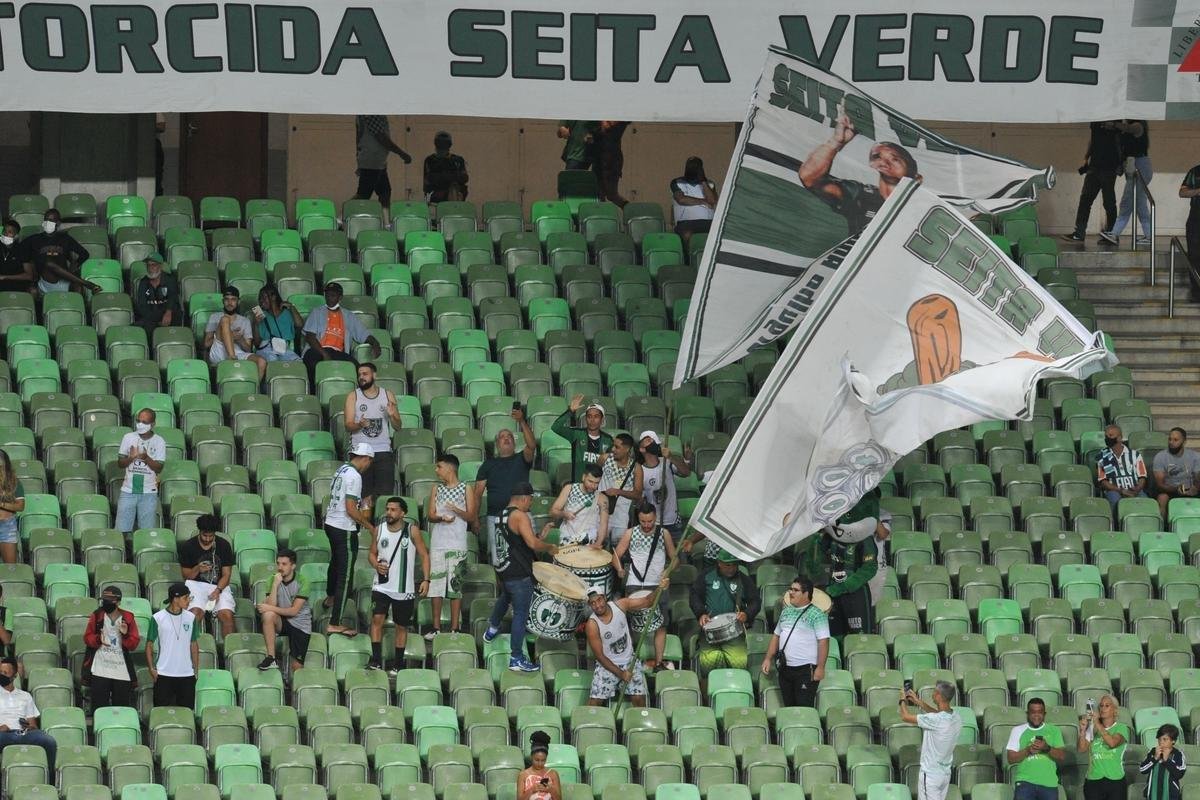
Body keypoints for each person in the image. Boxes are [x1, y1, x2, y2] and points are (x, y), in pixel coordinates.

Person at [799, 113, 921, 235]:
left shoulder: (921, 207)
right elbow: (809, 177)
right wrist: (835, 142)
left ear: (917, 178)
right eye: (878, 157)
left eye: (895, 159)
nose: (885, 162)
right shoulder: (862, 194)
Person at [484, 483, 558, 672]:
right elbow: (532, 543)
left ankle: (492, 628)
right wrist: (549, 547)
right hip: (519, 572)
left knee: (505, 597)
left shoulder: (501, 515)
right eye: (531, 500)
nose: (530, 504)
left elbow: (519, 540)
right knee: (521, 614)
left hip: (505, 569)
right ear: (524, 497)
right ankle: (516, 658)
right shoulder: (520, 515)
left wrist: (542, 534)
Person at [794, 490, 882, 644]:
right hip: (831, 592)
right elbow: (815, 561)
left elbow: (869, 568)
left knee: (859, 637)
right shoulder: (827, 537)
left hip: (855, 595)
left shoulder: (865, 540)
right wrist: (815, 543)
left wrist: (846, 586)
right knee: (833, 635)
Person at [367, 497, 430, 672]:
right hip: (381, 585)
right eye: (387, 509)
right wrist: (375, 564)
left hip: (404, 588)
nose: (389, 512)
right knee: (376, 619)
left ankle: (398, 664)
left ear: (403, 513)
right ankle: (376, 660)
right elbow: (371, 553)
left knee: (401, 626)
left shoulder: (412, 530)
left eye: (393, 510)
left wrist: (426, 579)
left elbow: (424, 555)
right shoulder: (379, 530)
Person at [612, 502, 677, 669]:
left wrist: (667, 571)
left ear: (655, 518)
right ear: (638, 519)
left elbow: (675, 559)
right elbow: (616, 555)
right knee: (634, 624)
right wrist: (619, 569)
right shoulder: (630, 533)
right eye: (643, 522)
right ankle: (632, 660)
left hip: (658, 584)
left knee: (661, 624)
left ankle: (658, 661)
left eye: (650, 521)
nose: (647, 525)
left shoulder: (664, 534)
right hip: (636, 583)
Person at [585, 580, 669, 707]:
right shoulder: (592, 624)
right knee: (594, 702)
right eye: (593, 603)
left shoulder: (621, 605)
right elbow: (600, 657)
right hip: (607, 665)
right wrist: (621, 674)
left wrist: (659, 588)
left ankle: (639, 724)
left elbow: (647, 601)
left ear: (605, 597)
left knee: (639, 699)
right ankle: (589, 725)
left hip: (629, 661)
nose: (597, 605)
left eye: (599, 600)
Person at [324, 443, 376, 637]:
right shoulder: (354, 475)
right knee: (346, 575)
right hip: (344, 527)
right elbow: (351, 509)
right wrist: (370, 527)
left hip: (330, 523)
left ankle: (330, 598)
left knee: (336, 563)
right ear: (366, 458)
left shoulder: (342, 469)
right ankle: (335, 622)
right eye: (369, 462)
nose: (368, 466)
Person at [473, 406, 536, 563]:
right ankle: (502, 589)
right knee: (499, 560)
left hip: (521, 515)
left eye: (509, 436)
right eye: (502, 436)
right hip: (495, 517)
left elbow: (532, 446)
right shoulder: (488, 465)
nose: (506, 438)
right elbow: (477, 494)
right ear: (497, 443)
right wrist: (474, 518)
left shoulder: (522, 458)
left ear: (514, 443)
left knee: (527, 556)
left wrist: (521, 420)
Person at [760, 576, 829, 707]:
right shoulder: (785, 612)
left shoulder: (818, 615)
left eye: (795, 590)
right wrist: (768, 658)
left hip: (805, 670)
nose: (790, 592)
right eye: (790, 589)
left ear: (806, 594)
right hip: (785, 669)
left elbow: (823, 642)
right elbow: (776, 636)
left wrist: (820, 668)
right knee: (789, 708)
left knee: (804, 709)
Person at [426, 454, 475, 638]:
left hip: (457, 542)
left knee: (456, 586)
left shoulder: (465, 488)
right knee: (436, 585)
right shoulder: (436, 489)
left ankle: (455, 627)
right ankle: (436, 627)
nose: (436, 470)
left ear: (449, 468)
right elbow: (430, 515)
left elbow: (471, 516)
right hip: (438, 542)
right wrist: (440, 517)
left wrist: (456, 510)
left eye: (439, 466)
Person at [690, 550, 760, 677]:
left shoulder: (743, 579)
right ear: (719, 563)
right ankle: (709, 695)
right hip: (709, 631)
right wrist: (701, 613)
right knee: (708, 665)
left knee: (740, 664)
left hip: (734, 631)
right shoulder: (707, 576)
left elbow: (755, 601)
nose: (732, 568)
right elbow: (694, 596)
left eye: (734, 565)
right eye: (728, 565)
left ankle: (736, 692)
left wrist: (747, 614)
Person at [345, 362, 401, 508]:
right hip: (360, 452)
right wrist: (359, 425)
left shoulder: (387, 395)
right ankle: (365, 529)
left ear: (374, 375)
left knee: (384, 497)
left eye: (365, 374)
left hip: (383, 451)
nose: (361, 377)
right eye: (359, 375)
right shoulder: (353, 396)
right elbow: (348, 425)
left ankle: (382, 527)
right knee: (363, 497)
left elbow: (398, 426)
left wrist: (393, 415)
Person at [301, 283, 381, 382]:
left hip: (338, 353)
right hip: (317, 350)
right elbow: (310, 337)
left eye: (333, 295)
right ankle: (314, 392)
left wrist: (375, 343)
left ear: (340, 297)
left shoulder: (349, 316)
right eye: (327, 295)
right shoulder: (317, 312)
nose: (329, 298)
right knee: (313, 365)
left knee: (356, 369)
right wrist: (324, 354)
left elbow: (364, 334)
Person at [898, 681, 963, 800]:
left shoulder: (936, 720)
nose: (932, 694)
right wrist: (919, 702)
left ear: (938, 696)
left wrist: (902, 700)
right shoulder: (956, 717)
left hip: (931, 775)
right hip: (944, 774)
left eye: (934, 692)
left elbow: (905, 716)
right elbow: (939, 714)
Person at [82, 586, 140, 711]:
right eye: (104, 600)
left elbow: (133, 644)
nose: (106, 603)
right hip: (100, 669)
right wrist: (98, 639)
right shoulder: (97, 615)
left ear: (118, 602)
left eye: (109, 601)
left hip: (121, 669)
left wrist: (125, 634)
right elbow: (87, 637)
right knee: (99, 708)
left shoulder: (128, 618)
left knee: (121, 709)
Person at [179, 514, 237, 637]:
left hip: (219, 584)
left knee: (227, 616)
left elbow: (226, 575)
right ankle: (186, 647)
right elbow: (186, 576)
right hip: (196, 584)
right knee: (194, 614)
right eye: (205, 535)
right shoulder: (188, 546)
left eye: (211, 536)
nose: (207, 539)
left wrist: (218, 590)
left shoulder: (224, 545)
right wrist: (197, 569)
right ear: (200, 532)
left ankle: (229, 652)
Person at [1063, 121, 1122, 242]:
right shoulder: (1096, 119)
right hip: (1095, 166)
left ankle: (1111, 233)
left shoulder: (1116, 118)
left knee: (1108, 202)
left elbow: (1120, 139)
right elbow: (1093, 139)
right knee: (1086, 199)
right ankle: (1079, 233)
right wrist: (1087, 156)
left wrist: (1121, 162)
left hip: (1109, 166)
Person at [18, 209, 99, 295]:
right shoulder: (34, 239)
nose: (47, 222)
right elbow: (19, 252)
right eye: (46, 219)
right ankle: (87, 284)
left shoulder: (65, 238)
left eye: (51, 220)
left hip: (65, 280)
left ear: (58, 223)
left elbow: (84, 254)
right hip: (46, 281)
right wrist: (30, 269)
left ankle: (77, 303)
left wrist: (75, 265)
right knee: (48, 263)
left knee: (78, 287)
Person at [255, 549, 312, 673]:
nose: (280, 567)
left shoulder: (303, 581)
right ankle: (271, 658)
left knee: (296, 667)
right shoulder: (273, 579)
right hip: (282, 621)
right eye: (278, 563)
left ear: (293, 566)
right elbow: (271, 606)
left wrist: (268, 607)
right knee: (268, 615)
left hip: (301, 625)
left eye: (284, 564)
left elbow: (294, 611)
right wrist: (275, 585)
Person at [147, 583, 200, 708]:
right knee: (161, 712)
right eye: (186, 598)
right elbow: (149, 644)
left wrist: (196, 669)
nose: (188, 601)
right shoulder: (157, 618)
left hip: (186, 674)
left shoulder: (191, 618)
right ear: (175, 599)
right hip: (164, 673)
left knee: (186, 713)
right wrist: (151, 668)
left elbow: (194, 644)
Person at [0, 656, 56, 773]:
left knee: (49, 741)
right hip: (4, 734)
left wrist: (29, 727)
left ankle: (50, 780)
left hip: (23, 733)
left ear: (14, 676)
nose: (2, 675)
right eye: (0, 672)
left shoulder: (25, 696)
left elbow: (33, 725)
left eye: (5, 673)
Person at [1101, 120, 1152, 246]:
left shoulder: (1138, 125)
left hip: (1140, 167)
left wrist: (1114, 124)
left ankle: (1115, 233)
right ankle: (1149, 235)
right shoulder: (1127, 129)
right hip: (1133, 165)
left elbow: (1130, 128)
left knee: (1126, 202)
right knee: (1140, 205)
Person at [115, 408, 165, 535]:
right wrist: (131, 458)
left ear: (152, 424)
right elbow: (120, 464)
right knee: (121, 531)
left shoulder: (159, 441)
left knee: (146, 532)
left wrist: (146, 458)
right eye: (138, 421)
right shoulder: (128, 437)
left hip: (148, 492)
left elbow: (159, 468)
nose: (140, 424)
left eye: (144, 422)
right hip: (128, 490)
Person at [1006, 697, 1066, 800]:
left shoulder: (1054, 731)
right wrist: (1028, 750)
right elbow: (1010, 758)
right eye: (1033, 712)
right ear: (1027, 713)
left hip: (1049, 784)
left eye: (1040, 712)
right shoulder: (1017, 730)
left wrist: (1046, 748)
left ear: (1045, 714)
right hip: (1025, 784)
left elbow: (1061, 756)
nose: (1036, 715)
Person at [637, 431, 691, 544]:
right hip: (653, 523)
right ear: (641, 448)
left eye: (654, 441)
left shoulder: (667, 462)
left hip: (673, 521)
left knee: (679, 556)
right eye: (648, 440)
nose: (652, 442)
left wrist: (671, 457)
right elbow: (640, 500)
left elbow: (686, 473)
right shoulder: (640, 471)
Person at [205, 286, 267, 380]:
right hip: (219, 349)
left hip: (238, 353)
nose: (230, 303)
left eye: (233, 300)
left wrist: (239, 339)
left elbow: (248, 349)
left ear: (238, 301)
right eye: (227, 299)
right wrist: (226, 336)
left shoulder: (245, 321)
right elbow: (206, 344)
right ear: (223, 301)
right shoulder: (214, 317)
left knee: (261, 362)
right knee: (225, 320)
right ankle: (231, 358)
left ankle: (253, 390)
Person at [551, 395, 614, 483]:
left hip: (598, 487)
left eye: (596, 416)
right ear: (585, 418)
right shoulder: (577, 434)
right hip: (578, 486)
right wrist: (570, 411)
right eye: (589, 416)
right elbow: (556, 427)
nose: (592, 420)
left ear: (602, 419)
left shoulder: (608, 440)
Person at [1078, 695, 1129, 800]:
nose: (1103, 708)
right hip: (1094, 780)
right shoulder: (1092, 729)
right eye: (1101, 706)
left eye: (1107, 705)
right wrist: (1083, 731)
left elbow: (1112, 743)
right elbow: (1081, 749)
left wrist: (1096, 723)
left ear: (1115, 710)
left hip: (1115, 780)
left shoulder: (1121, 728)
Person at [354, 115, 412, 206]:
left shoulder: (364, 113)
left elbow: (359, 136)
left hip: (377, 161)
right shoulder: (372, 113)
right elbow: (381, 137)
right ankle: (345, 214)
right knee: (363, 195)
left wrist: (359, 156)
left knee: (385, 192)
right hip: (372, 160)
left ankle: (385, 217)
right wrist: (401, 153)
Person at [547, 465, 608, 548]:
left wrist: (598, 543)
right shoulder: (569, 488)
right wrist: (564, 514)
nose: (593, 486)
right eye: (590, 481)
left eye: (596, 483)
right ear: (583, 477)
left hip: (588, 541)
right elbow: (552, 511)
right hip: (566, 539)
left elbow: (603, 524)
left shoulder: (602, 499)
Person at [1096, 425, 1148, 515]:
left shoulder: (1135, 455)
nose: (1107, 438)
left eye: (1110, 436)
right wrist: (1121, 490)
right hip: (1115, 491)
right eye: (1106, 436)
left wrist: (1138, 488)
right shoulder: (1102, 456)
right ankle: (1116, 526)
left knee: (1145, 501)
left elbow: (1142, 476)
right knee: (1114, 499)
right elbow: (1103, 482)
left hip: (1134, 489)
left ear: (1119, 438)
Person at [599, 434, 643, 542]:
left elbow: (638, 494)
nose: (613, 449)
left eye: (617, 447)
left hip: (621, 516)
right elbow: (595, 476)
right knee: (599, 545)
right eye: (613, 446)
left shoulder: (636, 468)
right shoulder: (604, 459)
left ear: (627, 449)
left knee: (617, 547)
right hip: (601, 512)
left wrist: (618, 491)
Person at [671, 157, 719, 247]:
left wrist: (703, 181)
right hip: (686, 223)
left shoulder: (710, 183)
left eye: (697, 167)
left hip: (709, 222)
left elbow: (712, 200)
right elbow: (681, 200)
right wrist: (704, 202)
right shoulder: (677, 182)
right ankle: (689, 260)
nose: (694, 169)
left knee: (718, 236)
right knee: (687, 235)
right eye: (692, 166)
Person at [1153, 427, 1200, 518]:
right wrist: (1176, 489)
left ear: (1184, 441)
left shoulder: (1195, 456)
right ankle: (1162, 529)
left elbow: (1197, 477)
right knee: (1162, 498)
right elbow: (1160, 484)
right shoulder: (1160, 457)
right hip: (1169, 490)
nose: (1171, 442)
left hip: (1190, 489)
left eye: (1175, 440)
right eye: (1170, 439)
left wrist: (1195, 488)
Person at [132, 253, 182, 337]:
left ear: (160, 266)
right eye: (148, 265)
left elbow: (173, 299)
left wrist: (168, 312)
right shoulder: (143, 282)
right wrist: (156, 321)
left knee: (176, 316)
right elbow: (142, 306)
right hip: (151, 319)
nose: (150, 268)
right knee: (139, 328)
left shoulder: (170, 280)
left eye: (153, 265)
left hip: (168, 318)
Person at [251, 285, 303, 363]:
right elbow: (257, 344)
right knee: (273, 360)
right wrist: (256, 324)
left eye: (264, 297)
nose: (261, 301)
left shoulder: (287, 313)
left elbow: (300, 325)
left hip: (284, 348)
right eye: (260, 298)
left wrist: (292, 307)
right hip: (266, 348)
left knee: (298, 363)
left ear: (273, 297)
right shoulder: (259, 313)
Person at [1140, 724, 1186, 800]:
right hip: (1152, 795)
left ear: (1173, 741)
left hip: (1171, 796)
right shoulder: (1152, 752)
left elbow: (1179, 774)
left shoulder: (1178, 754)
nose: (1161, 742)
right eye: (1159, 739)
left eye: (1165, 739)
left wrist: (1167, 760)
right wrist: (1154, 758)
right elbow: (1142, 770)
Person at [592, 121, 630, 208]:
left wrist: (611, 122)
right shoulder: (597, 126)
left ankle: (631, 210)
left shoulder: (617, 126)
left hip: (612, 162)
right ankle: (602, 217)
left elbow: (627, 120)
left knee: (612, 194)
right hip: (599, 161)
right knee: (599, 195)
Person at [423, 131, 469, 203]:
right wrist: (452, 176)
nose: (442, 148)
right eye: (440, 144)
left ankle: (454, 207)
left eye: (444, 145)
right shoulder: (430, 160)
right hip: (434, 194)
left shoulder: (457, 160)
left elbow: (464, 178)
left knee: (454, 189)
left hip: (456, 192)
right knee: (452, 190)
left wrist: (443, 177)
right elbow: (429, 180)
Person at [518, 731, 562, 800]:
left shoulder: (553, 774)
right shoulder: (523, 775)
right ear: (531, 757)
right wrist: (531, 790)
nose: (540, 763)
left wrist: (550, 790)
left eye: (543, 760)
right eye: (537, 760)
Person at [1179, 160, 1200, 299]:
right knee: (1194, 255)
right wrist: (1198, 191)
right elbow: (1182, 192)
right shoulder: (1195, 172)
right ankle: (1197, 291)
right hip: (1196, 218)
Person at [0, 450, 24, 565]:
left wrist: (2, 504)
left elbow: (20, 506)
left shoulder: (14, 482)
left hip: (7, 526)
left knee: (10, 568)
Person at [0, 219, 34, 291]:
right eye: (4, 231)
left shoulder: (22, 249)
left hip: (17, 284)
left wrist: (5, 277)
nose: (5, 234)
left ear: (16, 236)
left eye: (10, 232)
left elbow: (29, 276)